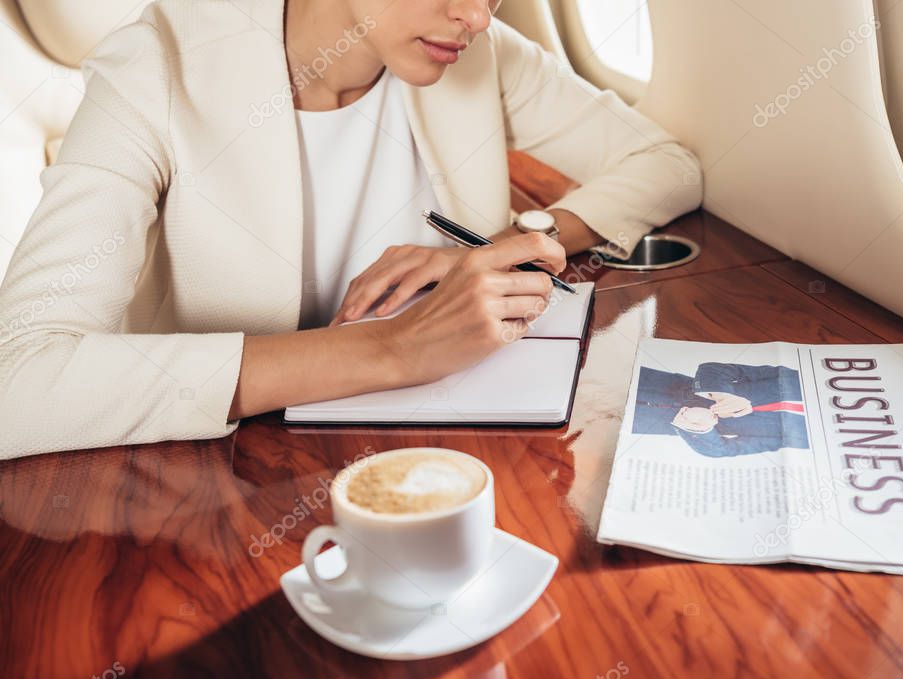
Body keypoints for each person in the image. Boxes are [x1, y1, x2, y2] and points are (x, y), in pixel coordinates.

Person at [0, 0, 702, 459]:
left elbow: (666, 163)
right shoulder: (154, 66)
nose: (478, 15)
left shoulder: (475, 53)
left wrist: (492, 253)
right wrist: (393, 348)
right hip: (212, 476)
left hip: (425, 446)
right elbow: (17, 381)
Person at [632, 364, 809, 457]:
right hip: (654, 383)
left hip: (649, 422)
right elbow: (712, 369)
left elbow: (722, 450)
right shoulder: (799, 379)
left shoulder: (805, 438)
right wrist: (722, 394)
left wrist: (703, 428)